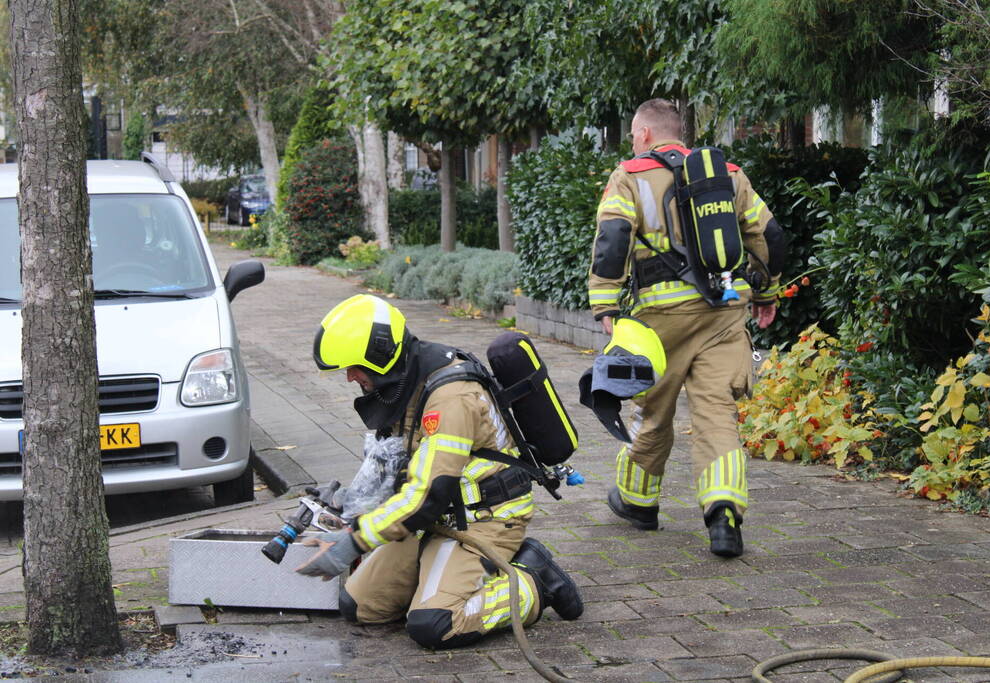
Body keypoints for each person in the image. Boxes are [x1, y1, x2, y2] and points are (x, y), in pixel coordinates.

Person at [295, 294, 583, 648]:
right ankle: (439, 581)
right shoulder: (405, 382)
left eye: (354, 367)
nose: (349, 377)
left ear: (381, 355)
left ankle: (534, 581)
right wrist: (346, 514)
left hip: (485, 519)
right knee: (360, 606)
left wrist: (355, 541)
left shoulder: (451, 397)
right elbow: (391, 471)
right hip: (434, 520)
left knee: (434, 624)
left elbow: (427, 494)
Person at [587, 98, 786, 558]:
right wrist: (767, 294)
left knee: (654, 411)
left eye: (634, 133)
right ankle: (724, 514)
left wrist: (605, 304)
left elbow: (613, 238)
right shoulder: (728, 174)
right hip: (723, 314)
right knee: (717, 413)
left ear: (644, 134)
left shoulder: (629, 175)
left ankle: (638, 502)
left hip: (660, 320)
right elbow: (769, 236)